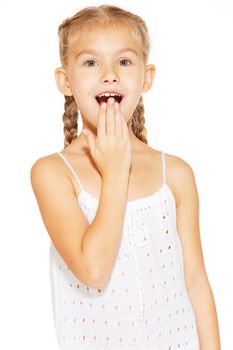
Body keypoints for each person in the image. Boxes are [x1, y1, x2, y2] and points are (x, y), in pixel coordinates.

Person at [30, 4, 221, 350]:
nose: (109, 74)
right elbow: (93, 270)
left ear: (146, 78)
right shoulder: (54, 173)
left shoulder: (175, 173)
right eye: (90, 62)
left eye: (124, 61)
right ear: (65, 81)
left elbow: (196, 283)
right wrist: (116, 171)